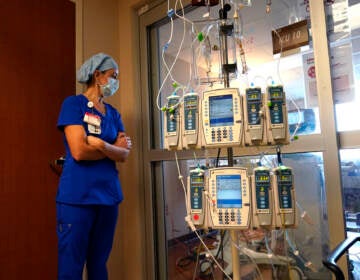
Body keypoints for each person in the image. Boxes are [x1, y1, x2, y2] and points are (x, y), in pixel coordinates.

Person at [56, 53, 131, 280]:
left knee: (99, 264)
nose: (116, 81)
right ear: (97, 75)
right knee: (72, 265)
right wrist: (112, 149)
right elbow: (78, 151)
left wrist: (98, 144)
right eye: (113, 76)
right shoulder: (73, 105)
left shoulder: (114, 113)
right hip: (77, 198)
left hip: (108, 198)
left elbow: (124, 154)